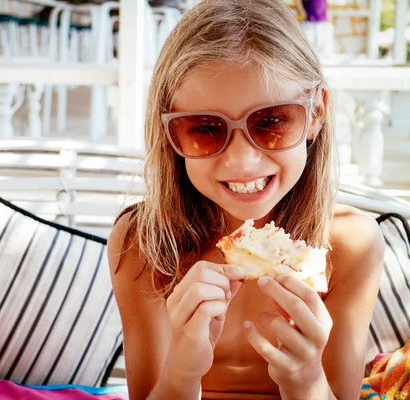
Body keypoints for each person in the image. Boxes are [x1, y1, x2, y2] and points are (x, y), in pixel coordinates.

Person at [107, 0, 384, 398]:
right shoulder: (142, 243)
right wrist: (182, 372)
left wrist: (306, 379)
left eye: (271, 122)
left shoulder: (349, 244)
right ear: (170, 133)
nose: (241, 160)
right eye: (204, 128)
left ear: (316, 113)